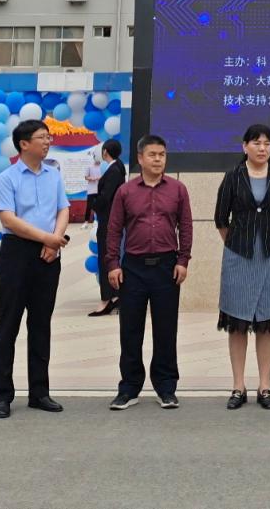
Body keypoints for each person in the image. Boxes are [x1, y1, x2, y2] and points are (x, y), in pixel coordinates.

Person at [0, 120, 70, 419]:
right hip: (17, 253)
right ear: (24, 144)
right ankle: (2, 395)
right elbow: (8, 220)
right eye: (41, 137)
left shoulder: (54, 175)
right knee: (8, 324)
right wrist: (47, 238)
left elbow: (63, 209)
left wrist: (55, 240)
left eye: (49, 137)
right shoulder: (7, 178)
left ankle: (39, 392)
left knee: (41, 324)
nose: (47, 142)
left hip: (48, 256)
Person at [106, 134, 192, 411]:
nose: (158, 159)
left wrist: (183, 260)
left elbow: (186, 227)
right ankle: (129, 388)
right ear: (140, 158)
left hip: (167, 267)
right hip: (133, 268)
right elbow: (114, 229)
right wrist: (113, 264)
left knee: (166, 330)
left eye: (162, 155)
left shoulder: (178, 189)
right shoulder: (125, 191)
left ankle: (166, 388)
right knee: (130, 330)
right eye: (152, 155)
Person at [213, 124, 270, 410]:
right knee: (237, 323)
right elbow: (221, 219)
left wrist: (267, 242)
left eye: (267, 143)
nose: (262, 148)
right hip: (238, 256)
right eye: (257, 143)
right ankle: (238, 386)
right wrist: (239, 243)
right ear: (244, 146)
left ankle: (265, 386)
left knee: (266, 323)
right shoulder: (232, 177)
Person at [88, 139, 126, 317]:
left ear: (105, 152)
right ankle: (114, 297)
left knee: (106, 258)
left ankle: (107, 299)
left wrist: (93, 204)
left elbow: (106, 197)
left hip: (109, 221)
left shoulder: (113, 170)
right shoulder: (118, 167)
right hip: (112, 220)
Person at [82, 152, 102, 230]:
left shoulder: (102, 167)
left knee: (99, 206)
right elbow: (86, 177)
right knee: (89, 206)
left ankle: (96, 221)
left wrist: (100, 178)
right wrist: (92, 178)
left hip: (99, 190)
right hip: (91, 190)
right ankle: (86, 222)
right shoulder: (90, 166)